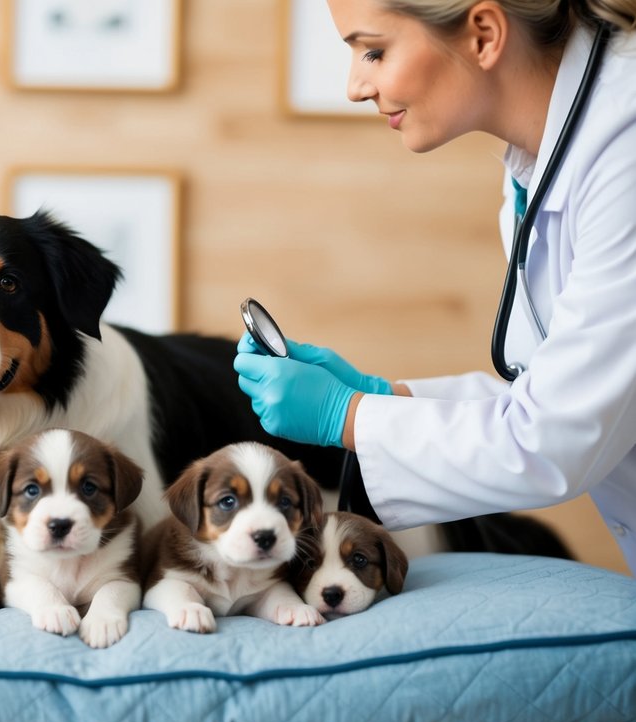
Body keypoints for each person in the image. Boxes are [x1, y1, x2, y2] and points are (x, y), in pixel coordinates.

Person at [234, 0, 636, 576]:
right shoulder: (536, 163)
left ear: (484, 34)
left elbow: (555, 437)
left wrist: (345, 416)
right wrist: (384, 396)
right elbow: (557, 393)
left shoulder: (625, 148)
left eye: (373, 50)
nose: (355, 86)